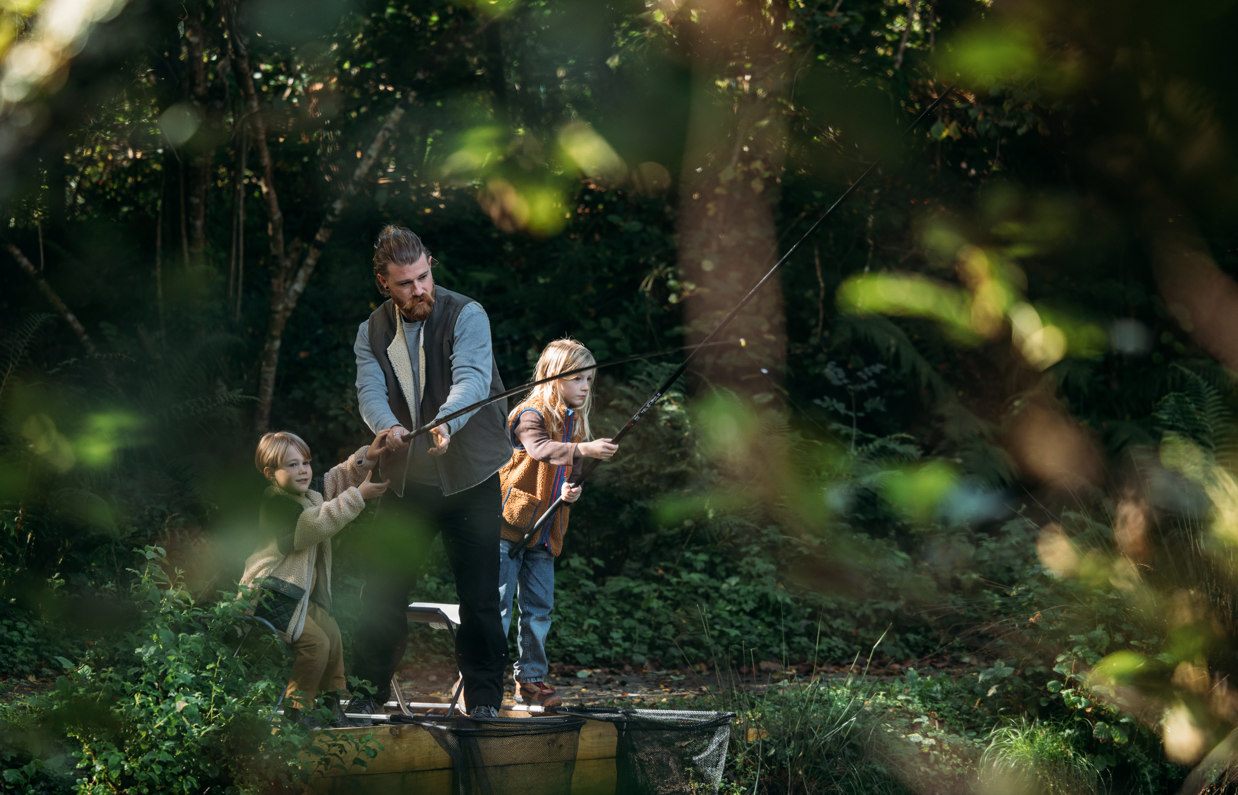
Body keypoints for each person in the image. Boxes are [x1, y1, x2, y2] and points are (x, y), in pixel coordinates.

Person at [350, 224, 511, 719]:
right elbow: (370, 393)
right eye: (405, 283)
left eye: (423, 277)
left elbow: (472, 379)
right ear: (384, 283)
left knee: (481, 598)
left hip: (470, 480)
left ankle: (484, 700)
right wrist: (389, 426)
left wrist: (445, 424)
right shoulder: (370, 332)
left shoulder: (468, 314)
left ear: (430, 265)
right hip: (406, 486)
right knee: (380, 592)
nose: (419, 290)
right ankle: (364, 693)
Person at [240, 429, 390, 727]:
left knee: (332, 635)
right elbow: (314, 525)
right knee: (315, 645)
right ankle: (298, 714)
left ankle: (330, 706)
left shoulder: (307, 495)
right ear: (271, 474)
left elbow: (335, 480)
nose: (303, 471)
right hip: (270, 596)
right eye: (292, 465)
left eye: (305, 463)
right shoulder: (278, 505)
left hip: (297, 598)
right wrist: (358, 496)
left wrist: (367, 457)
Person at [498, 339, 618, 707]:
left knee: (539, 610)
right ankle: (479, 674)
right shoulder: (530, 414)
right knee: (497, 607)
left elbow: (572, 472)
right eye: (578, 378)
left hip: (547, 531)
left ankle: (530, 680)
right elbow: (540, 449)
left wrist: (572, 489)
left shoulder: (575, 423)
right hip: (508, 526)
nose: (585, 386)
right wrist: (583, 449)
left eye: (589, 380)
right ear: (554, 377)